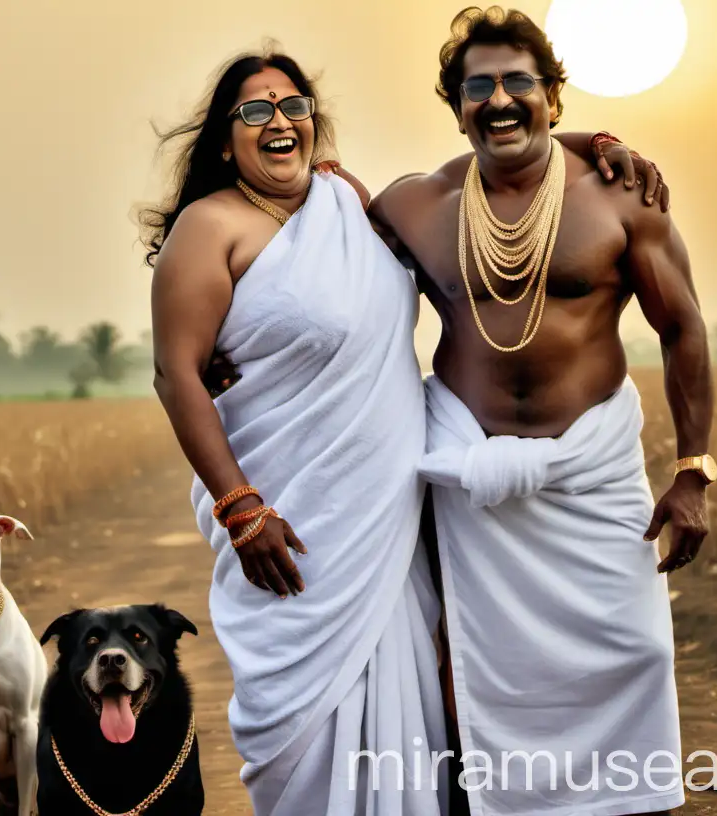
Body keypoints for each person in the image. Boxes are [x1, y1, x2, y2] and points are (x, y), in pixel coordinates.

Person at [146, 42, 673, 814]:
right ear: (226, 139)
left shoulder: (345, 200)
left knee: (430, 714)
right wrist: (240, 507)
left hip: (393, 518)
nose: (279, 122)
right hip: (290, 522)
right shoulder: (209, 227)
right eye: (255, 111)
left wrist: (589, 144)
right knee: (304, 726)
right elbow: (176, 374)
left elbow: (487, 162)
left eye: (294, 106)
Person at [367, 6, 714, 816]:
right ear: (455, 106)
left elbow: (684, 327)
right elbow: (316, 259)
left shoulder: (622, 195)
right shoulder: (416, 205)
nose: (498, 100)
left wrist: (694, 469)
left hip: (593, 476)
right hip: (474, 479)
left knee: (634, 654)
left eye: (518, 83)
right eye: (477, 86)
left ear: (553, 97)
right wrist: (221, 338)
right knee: (478, 674)